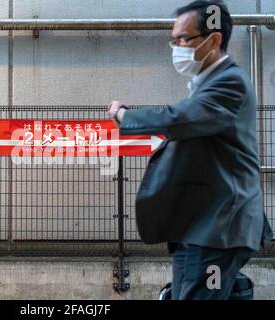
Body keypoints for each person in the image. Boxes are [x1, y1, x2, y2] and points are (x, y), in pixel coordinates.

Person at [108, 0, 273, 300]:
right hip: (201, 228)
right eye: (174, 40)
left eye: (184, 39)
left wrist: (124, 115)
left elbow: (179, 119)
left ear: (214, 40)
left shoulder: (229, 83)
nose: (177, 47)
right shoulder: (208, 85)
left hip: (220, 228)